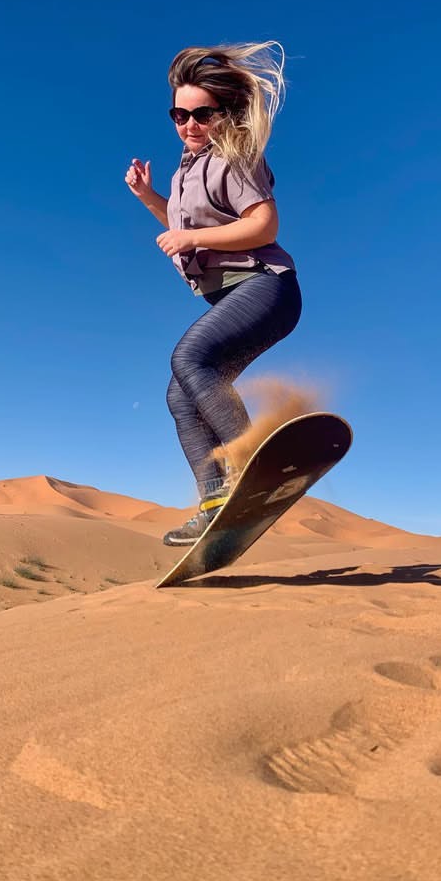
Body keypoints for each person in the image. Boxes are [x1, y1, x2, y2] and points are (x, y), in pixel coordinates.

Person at [124, 42, 302, 546]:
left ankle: (250, 461)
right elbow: (184, 224)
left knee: (189, 357)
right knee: (179, 394)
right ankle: (216, 501)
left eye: (201, 113)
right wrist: (149, 199)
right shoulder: (184, 174)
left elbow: (263, 225)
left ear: (225, 114)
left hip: (267, 287)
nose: (189, 124)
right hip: (231, 298)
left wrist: (192, 238)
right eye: (179, 114)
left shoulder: (234, 156)